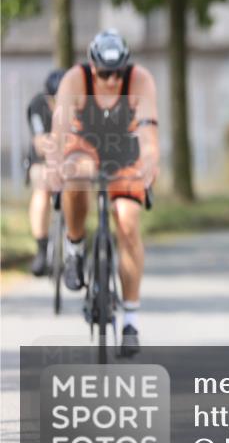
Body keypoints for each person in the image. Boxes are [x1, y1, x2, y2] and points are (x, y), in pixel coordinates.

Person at [51, 30, 159, 357]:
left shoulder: (140, 80)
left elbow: (148, 131)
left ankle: (131, 322)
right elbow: (60, 129)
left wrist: (150, 162)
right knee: (75, 177)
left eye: (118, 73)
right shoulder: (75, 80)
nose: (112, 81)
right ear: (92, 66)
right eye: (105, 74)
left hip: (124, 151)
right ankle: (74, 246)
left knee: (127, 221)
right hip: (85, 146)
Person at [26, 70, 65, 276]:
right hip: (42, 161)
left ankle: (76, 244)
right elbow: (40, 143)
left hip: (70, 160)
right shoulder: (37, 105)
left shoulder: (77, 106)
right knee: (42, 189)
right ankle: (42, 248)